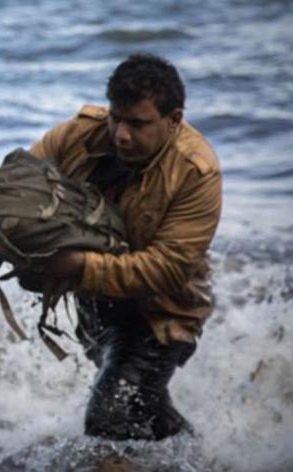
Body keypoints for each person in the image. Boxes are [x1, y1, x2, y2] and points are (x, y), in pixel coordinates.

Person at [30, 53, 222, 441]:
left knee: (109, 417)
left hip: (163, 314)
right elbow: (18, 182)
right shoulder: (79, 135)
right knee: (144, 411)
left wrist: (77, 266)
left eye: (138, 123)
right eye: (116, 117)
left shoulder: (196, 171)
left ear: (174, 119)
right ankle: (203, 460)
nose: (121, 134)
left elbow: (168, 268)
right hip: (96, 305)